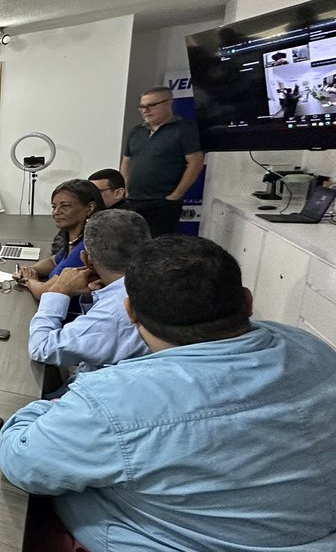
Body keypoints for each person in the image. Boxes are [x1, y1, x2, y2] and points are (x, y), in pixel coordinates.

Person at [0, 235, 336, 552]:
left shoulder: (121, 399)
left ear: (130, 312)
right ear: (246, 300)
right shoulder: (313, 350)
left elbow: (20, 456)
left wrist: (40, 408)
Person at [27, 209, 150, 375]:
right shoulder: (151, 281)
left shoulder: (115, 310)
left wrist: (58, 291)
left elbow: (42, 349)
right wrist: (89, 297)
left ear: (87, 258)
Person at [120, 86, 204, 237]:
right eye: (142, 107)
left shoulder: (184, 129)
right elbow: (126, 161)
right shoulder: (136, 131)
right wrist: (125, 189)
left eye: (151, 105)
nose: (145, 110)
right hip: (133, 201)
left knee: (158, 248)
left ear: (169, 103)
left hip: (162, 203)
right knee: (130, 244)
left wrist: (176, 195)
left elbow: (195, 163)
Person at [15, 180, 104, 300]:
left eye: (65, 206)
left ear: (89, 208)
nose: (56, 212)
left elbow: (46, 293)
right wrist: (29, 270)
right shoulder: (74, 238)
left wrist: (29, 280)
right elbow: (54, 261)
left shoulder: (86, 248)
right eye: (54, 206)